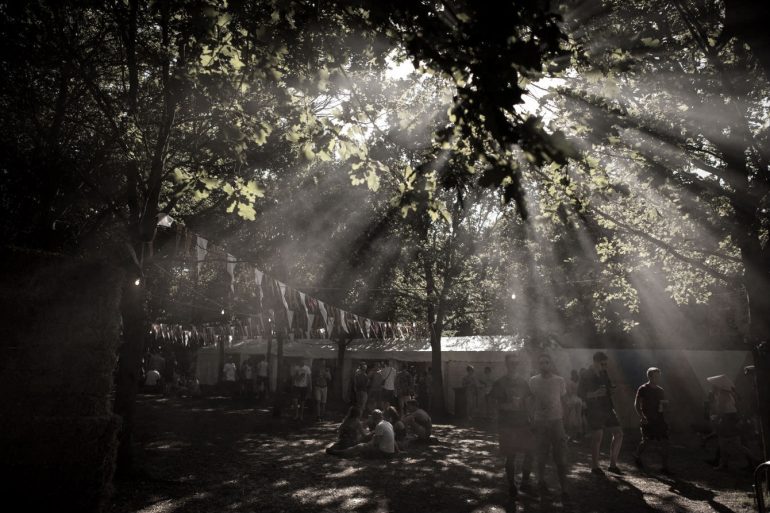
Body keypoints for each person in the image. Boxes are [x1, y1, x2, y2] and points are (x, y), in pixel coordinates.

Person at [489, 353, 534, 499]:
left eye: (516, 363)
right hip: (506, 424)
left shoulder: (523, 382)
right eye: (511, 363)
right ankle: (511, 485)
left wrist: (532, 417)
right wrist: (507, 406)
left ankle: (525, 482)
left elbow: (528, 402)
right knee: (511, 456)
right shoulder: (500, 383)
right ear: (506, 364)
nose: (514, 365)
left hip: (523, 423)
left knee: (530, 452)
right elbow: (491, 403)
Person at [529, 353, 569, 500]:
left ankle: (564, 488)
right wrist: (531, 420)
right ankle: (540, 481)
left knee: (561, 457)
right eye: (541, 363)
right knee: (541, 454)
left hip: (556, 421)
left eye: (546, 362)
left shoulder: (560, 381)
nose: (544, 365)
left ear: (551, 364)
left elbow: (564, 401)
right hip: (540, 422)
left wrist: (565, 421)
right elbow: (530, 401)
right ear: (538, 365)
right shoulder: (533, 381)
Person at [578, 351, 623, 475]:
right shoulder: (585, 374)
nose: (605, 366)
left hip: (607, 407)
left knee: (618, 433)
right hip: (593, 409)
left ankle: (612, 465)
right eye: (603, 364)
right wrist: (594, 394)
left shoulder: (604, 373)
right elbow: (580, 393)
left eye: (606, 364)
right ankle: (595, 466)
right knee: (597, 436)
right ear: (595, 362)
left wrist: (611, 389)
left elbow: (608, 388)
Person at [707, 374, 753, 471]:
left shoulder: (722, 396)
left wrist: (716, 419)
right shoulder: (729, 394)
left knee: (727, 443)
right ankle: (724, 464)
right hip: (732, 418)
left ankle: (725, 464)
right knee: (731, 443)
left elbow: (721, 410)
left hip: (727, 420)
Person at [633, 367, 670, 473]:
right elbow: (637, 404)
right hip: (648, 420)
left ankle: (665, 467)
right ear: (649, 377)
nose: (658, 378)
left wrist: (665, 407)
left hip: (659, 420)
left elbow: (663, 405)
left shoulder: (660, 390)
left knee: (665, 442)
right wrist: (642, 416)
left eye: (659, 376)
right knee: (646, 441)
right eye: (656, 376)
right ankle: (637, 455)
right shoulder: (643, 388)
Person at [328, 409, 396, 458]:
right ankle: (345, 452)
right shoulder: (388, 423)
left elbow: (376, 443)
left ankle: (341, 453)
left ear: (373, 418)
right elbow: (391, 440)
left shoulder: (379, 426)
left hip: (384, 453)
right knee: (360, 447)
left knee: (359, 447)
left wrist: (368, 444)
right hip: (390, 453)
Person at [564, 369, 584, 442]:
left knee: (570, 417)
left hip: (572, 399)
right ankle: (580, 432)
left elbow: (569, 392)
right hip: (579, 399)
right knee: (578, 416)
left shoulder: (570, 382)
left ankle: (571, 434)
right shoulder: (578, 382)